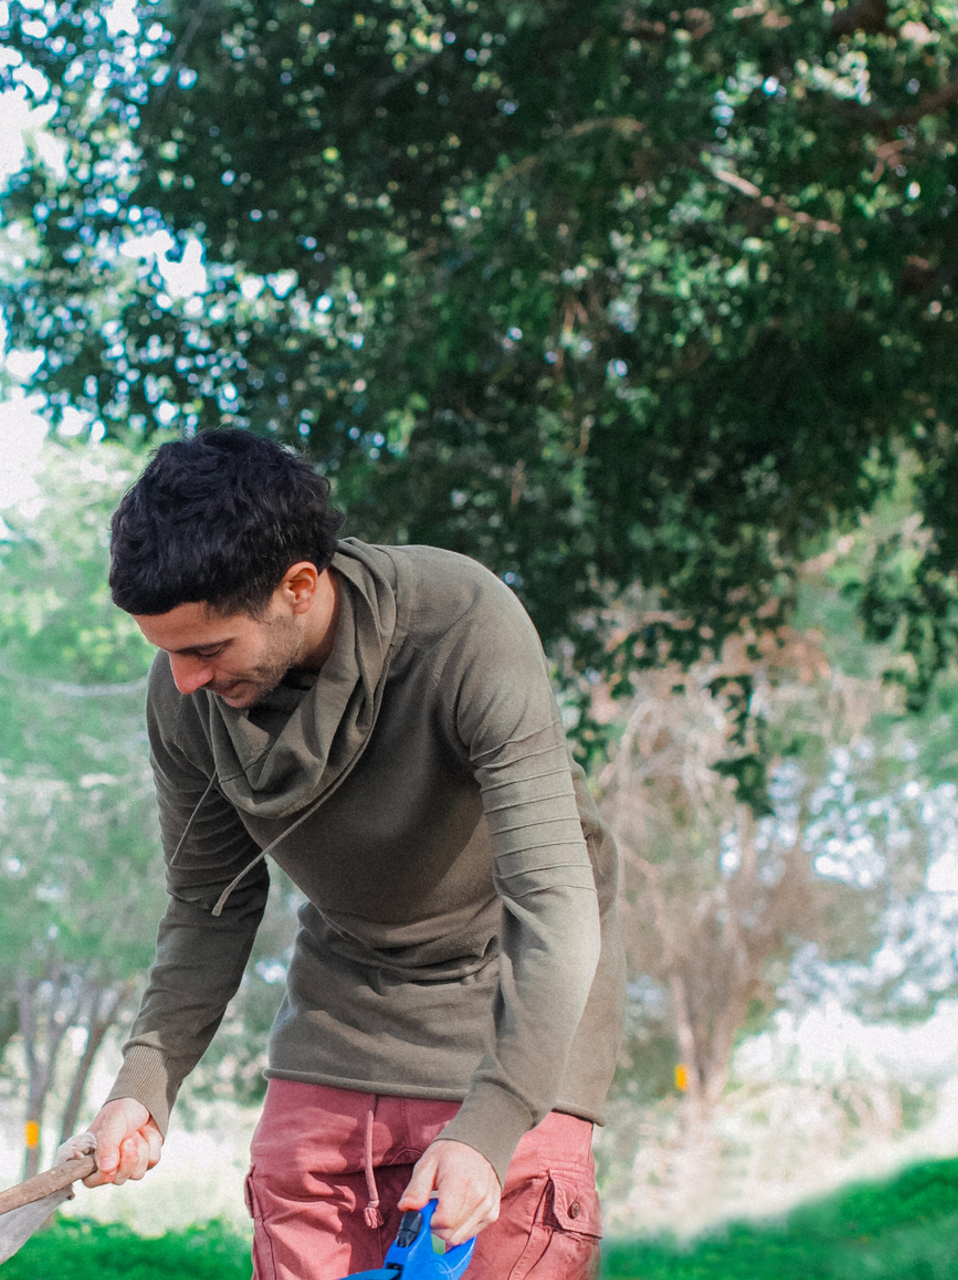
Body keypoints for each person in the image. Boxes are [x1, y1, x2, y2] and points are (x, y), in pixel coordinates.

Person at [78, 430, 622, 1280]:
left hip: (517, 1012)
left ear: (299, 586)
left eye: (206, 649)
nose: (182, 680)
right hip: (343, 1020)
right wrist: (145, 1083)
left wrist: (490, 1127)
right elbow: (208, 905)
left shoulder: (464, 627)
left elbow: (554, 904)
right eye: (166, 651)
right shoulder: (186, 698)